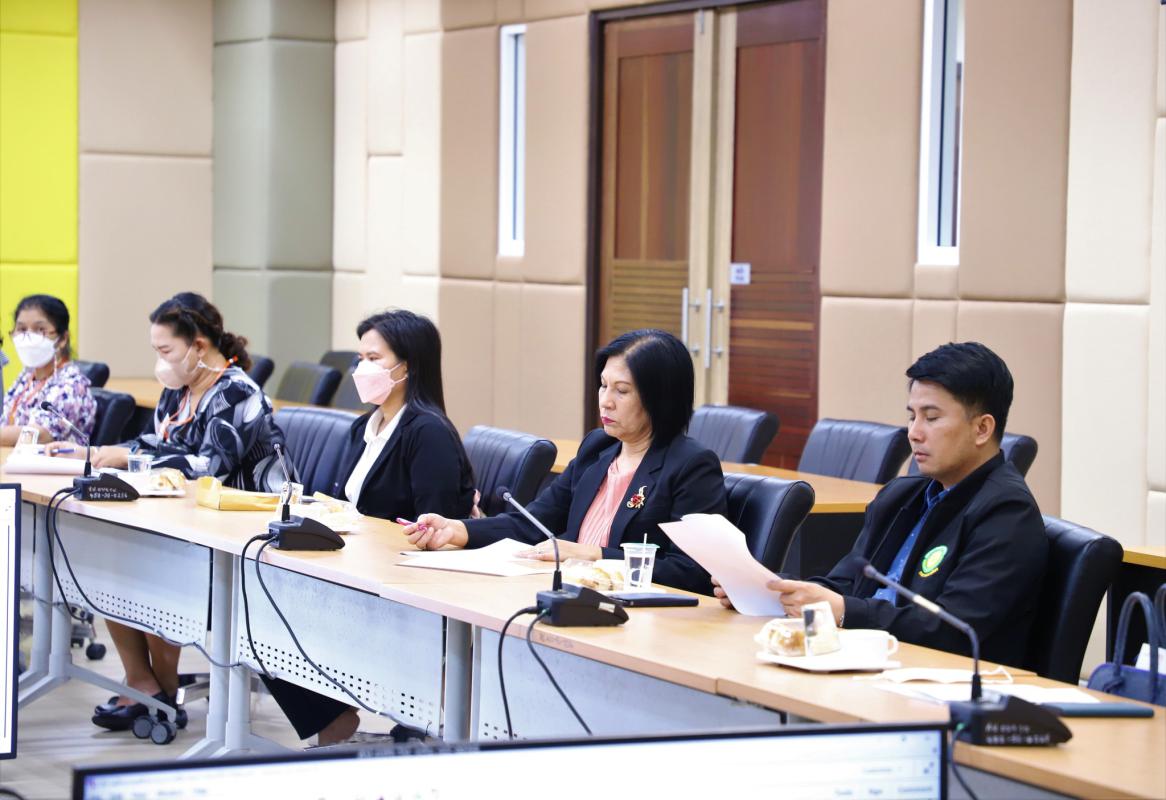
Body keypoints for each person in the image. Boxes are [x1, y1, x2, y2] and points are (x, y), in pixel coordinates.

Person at [714, 341, 1047, 667]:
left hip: (940, 683)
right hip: (869, 663)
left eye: (931, 418)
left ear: (982, 429)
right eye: (912, 417)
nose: (914, 433)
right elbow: (847, 583)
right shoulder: (901, 496)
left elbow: (953, 631)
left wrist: (844, 611)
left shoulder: (1006, 513)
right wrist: (775, 591)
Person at [47, 292, 291, 732]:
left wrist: (130, 459)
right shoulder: (179, 390)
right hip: (187, 519)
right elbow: (153, 443)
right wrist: (97, 452)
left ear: (198, 346)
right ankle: (144, 684)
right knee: (107, 564)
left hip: (242, 530)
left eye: (166, 350)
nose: (160, 361)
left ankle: (154, 694)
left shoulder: (236, 393)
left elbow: (210, 468)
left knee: (151, 571)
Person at [264, 309, 476, 746]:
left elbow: (435, 531)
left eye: (374, 359)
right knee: (260, 599)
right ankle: (329, 717)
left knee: (272, 606)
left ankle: (333, 718)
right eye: (360, 358)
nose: (362, 369)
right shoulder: (367, 425)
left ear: (407, 367)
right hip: (355, 569)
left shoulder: (428, 432)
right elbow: (347, 504)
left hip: (399, 588)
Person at [405, 328, 726, 595]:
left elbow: (692, 571)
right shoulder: (597, 449)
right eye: (603, 386)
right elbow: (531, 524)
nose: (606, 401)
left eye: (622, 391)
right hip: (569, 596)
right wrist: (456, 529)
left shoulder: (691, 466)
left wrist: (594, 556)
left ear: (660, 398)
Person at [1, 294, 96, 446]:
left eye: (40, 330)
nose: (28, 337)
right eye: (22, 329)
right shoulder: (27, 377)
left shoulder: (72, 385)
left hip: (54, 460)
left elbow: (38, 435)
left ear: (62, 339)